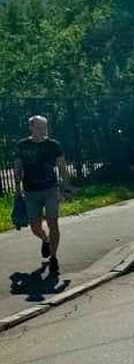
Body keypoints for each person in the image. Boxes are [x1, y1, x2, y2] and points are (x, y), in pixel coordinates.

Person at [13, 115, 73, 274]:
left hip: (50, 188)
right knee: (35, 226)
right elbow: (18, 167)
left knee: (53, 222)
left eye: (44, 127)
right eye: (38, 127)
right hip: (31, 190)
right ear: (31, 128)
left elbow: (61, 166)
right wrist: (17, 188)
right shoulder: (22, 145)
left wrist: (66, 187)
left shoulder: (53, 145)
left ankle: (54, 257)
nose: (42, 130)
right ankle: (45, 239)